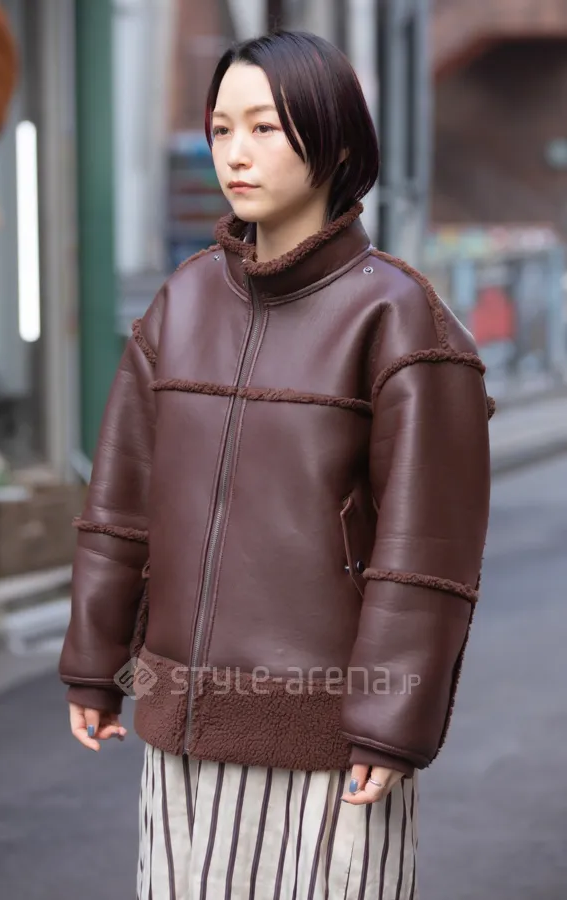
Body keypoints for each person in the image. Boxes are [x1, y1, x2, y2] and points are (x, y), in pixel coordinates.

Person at [59, 29, 493, 900]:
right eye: (222, 128)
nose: (235, 153)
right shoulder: (182, 302)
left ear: (335, 142)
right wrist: (97, 664)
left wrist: (390, 721)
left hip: (329, 742)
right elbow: (122, 506)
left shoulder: (400, 319)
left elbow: (427, 555)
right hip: (180, 730)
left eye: (265, 127)